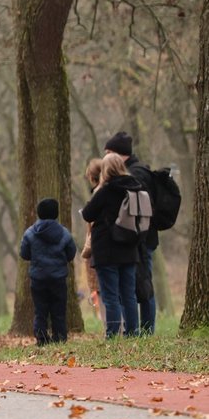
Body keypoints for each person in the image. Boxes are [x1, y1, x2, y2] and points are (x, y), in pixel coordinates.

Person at [80, 153, 144, 338]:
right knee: (129, 294)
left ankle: (113, 333)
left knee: (110, 295)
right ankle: (133, 332)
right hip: (130, 247)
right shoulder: (135, 188)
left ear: (106, 170)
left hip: (107, 250)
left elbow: (88, 214)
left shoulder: (105, 191)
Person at [103, 131, 159, 334]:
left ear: (119, 154)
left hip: (139, 239)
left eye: (109, 152)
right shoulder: (136, 172)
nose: (105, 158)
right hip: (138, 238)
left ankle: (146, 330)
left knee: (143, 286)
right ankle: (140, 330)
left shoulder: (136, 175)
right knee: (135, 286)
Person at [19, 198, 77, 345]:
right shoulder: (64, 233)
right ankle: (60, 338)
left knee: (40, 311)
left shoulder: (30, 233)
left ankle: (42, 338)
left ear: (39, 213)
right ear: (56, 213)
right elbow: (71, 253)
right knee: (58, 310)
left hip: (38, 279)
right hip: (58, 278)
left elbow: (24, 254)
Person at [80, 159, 105, 322]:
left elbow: (90, 217)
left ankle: (110, 327)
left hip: (99, 247)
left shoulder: (99, 195)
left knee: (102, 290)